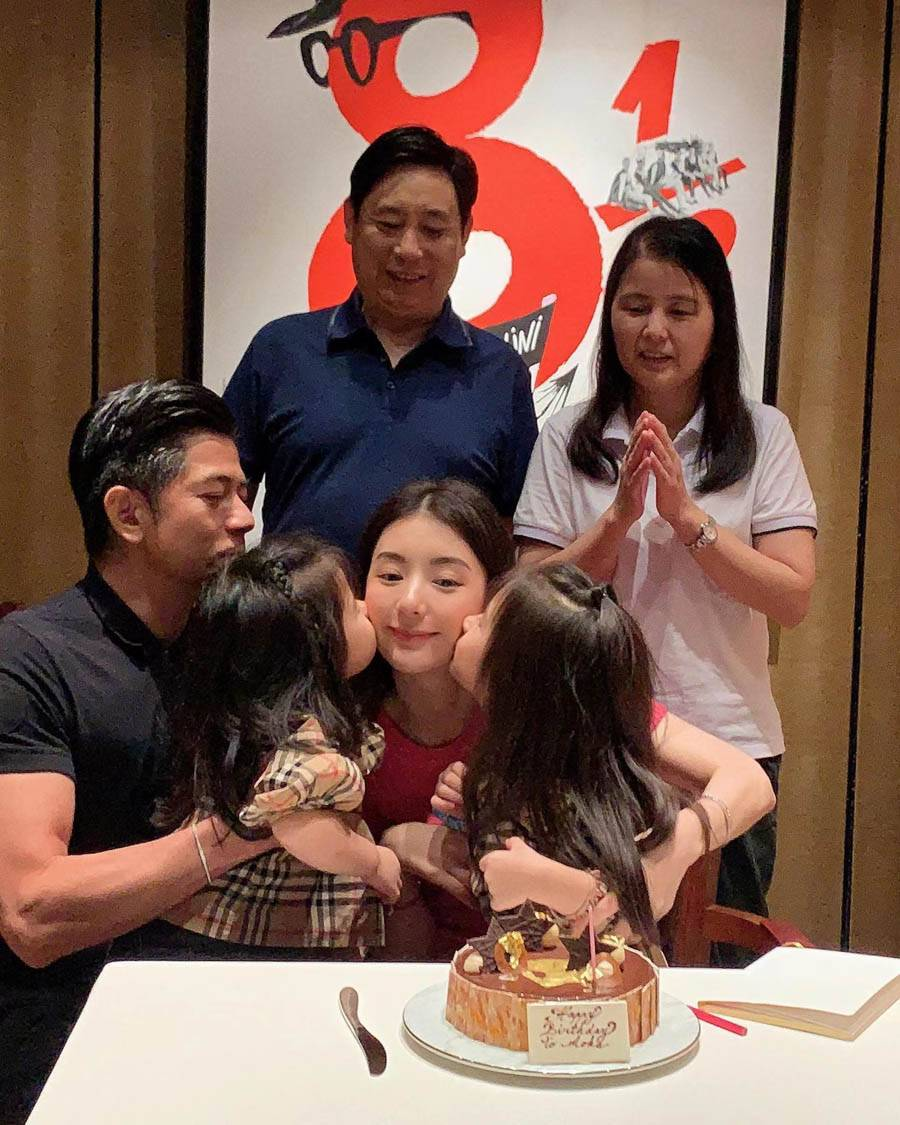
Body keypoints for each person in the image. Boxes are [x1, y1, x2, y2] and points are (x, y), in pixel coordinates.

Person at [511, 216, 816, 955]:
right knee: (584, 955)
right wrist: (617, 520)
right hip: (593, 742)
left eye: (681, 309)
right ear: (610, 314)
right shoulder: (568, 436)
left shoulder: (763, 435)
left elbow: (792, 596)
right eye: (635, 306)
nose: (655, 330)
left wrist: (686, 519)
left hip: (728, 747)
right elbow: (527, 598)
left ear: (717, 322)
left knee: (718, 959)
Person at [0, 380, 268, 1122]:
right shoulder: (29, 659)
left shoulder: (240, 645)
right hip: (65, 1035)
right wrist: (243, 831)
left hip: (225, 1015)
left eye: (243, 493)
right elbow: (32, 911)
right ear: (128, 513)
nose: (244, 517)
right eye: (214, 495)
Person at [223, 125, 538, 557]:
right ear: (350, 221)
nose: (408, 249)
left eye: (433, 230)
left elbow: (516, 534)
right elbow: (220, 499)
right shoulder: (279, 350)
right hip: (295, 601)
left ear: (465, 234)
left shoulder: (501, 374)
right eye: (389, 224)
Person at [437, 564, 776, 946]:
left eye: (483, 622)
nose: (467, 621)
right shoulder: (505, 758)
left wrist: (671, 851)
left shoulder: (592, 741)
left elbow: (751, 781)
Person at [127, 535, 400, 959]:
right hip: (256, 939)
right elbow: (300, 827)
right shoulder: (308, 743)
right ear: (320, 649)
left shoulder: (245, 717)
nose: (367, 609)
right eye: (351, 607)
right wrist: (373, 862)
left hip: (214, 927)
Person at [355, 479, 514, 957]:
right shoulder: (340, 721)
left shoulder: (532, 704)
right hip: (389, 973)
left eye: (445, 582)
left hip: (534, 970)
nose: (409, 603)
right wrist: (393, 849)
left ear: (494, 597)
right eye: (390, 576)